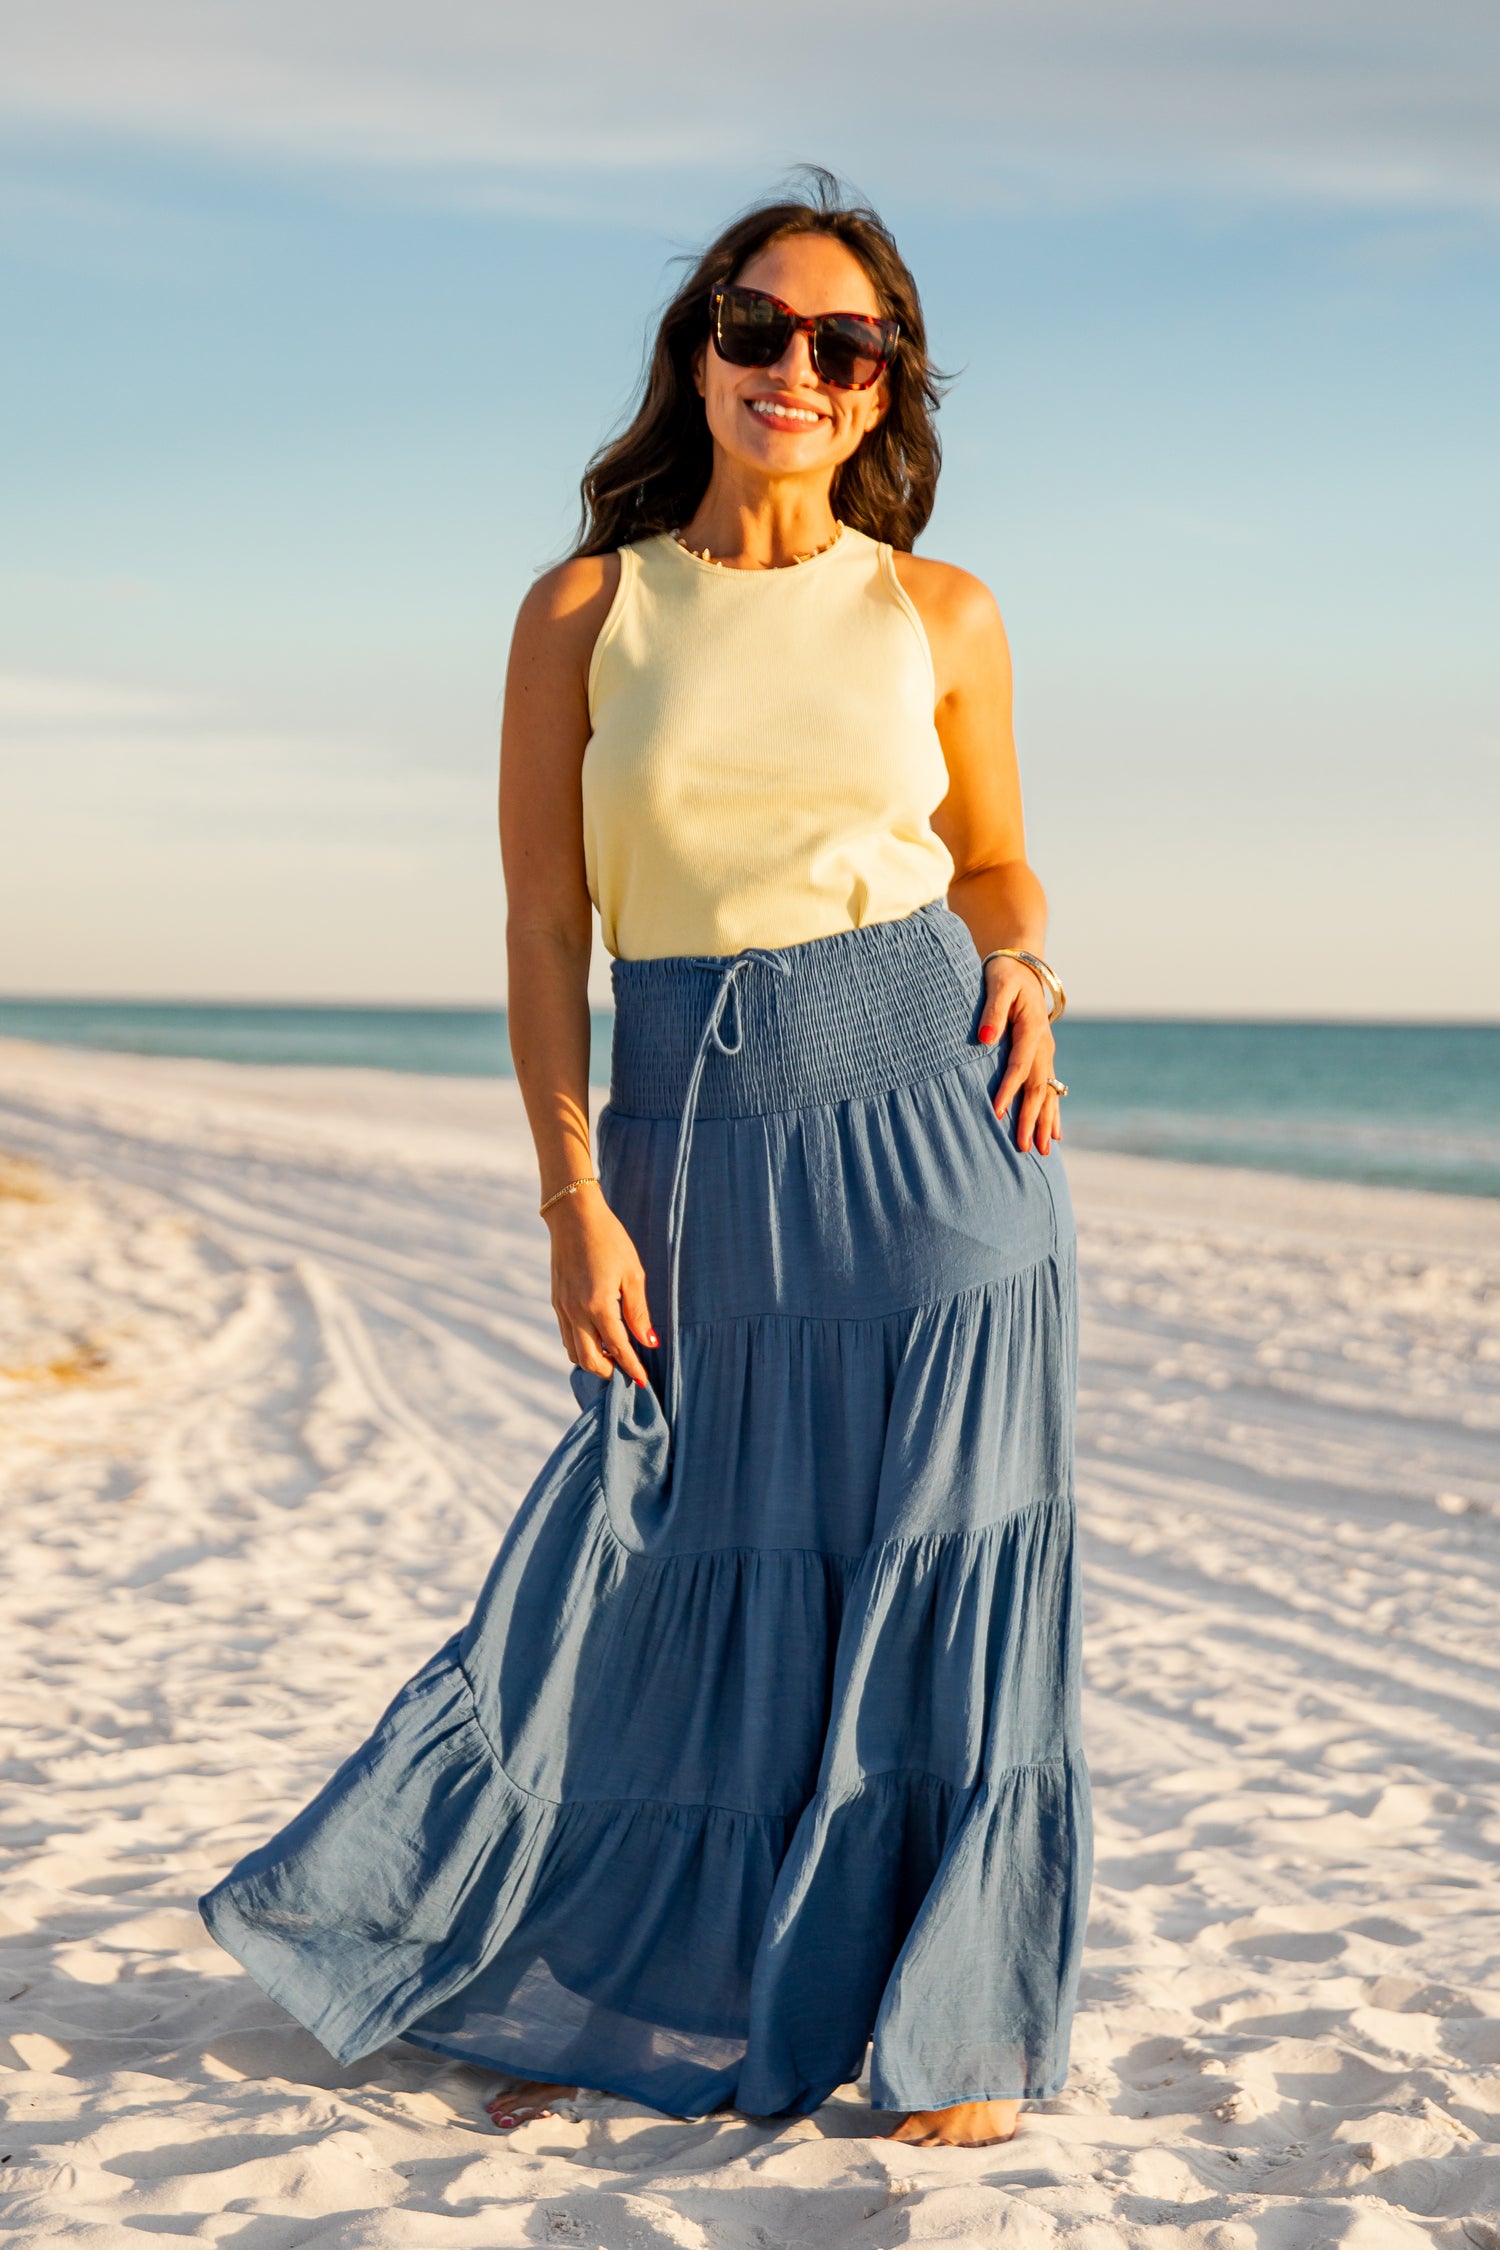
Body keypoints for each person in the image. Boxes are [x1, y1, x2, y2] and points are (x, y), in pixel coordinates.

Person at [200, 171, 1091, 2154]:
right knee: (687, 1548)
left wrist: (1025, 952)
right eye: (756, 327)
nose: (794, 368)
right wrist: (571, 1192)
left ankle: (953, 2028)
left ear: (883, 390)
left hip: (942, 1133)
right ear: (699, 350)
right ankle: (641, 1965)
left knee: (942, 1560)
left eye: (840, 344)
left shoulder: (937, 611)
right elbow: (541, 931)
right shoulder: (588, 607)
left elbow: (994, 853)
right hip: (694, 1135)